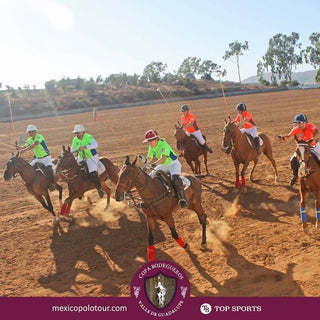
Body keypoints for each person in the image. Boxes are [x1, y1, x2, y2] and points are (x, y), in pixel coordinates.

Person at [142, 129, 188, 208]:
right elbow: (150, 158)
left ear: (155, 139)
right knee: (149, 177)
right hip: (163, 165)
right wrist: (145, 160)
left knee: (175, 179)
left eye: (150, 141)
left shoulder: (163, 145)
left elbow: (163, 158)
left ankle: (183, 199)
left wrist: (152, 165)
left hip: (173, 164)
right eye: (148, 141)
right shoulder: (151, 146)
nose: (149, 143)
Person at [277, 113, 320, 186]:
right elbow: (288, 136)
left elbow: (318, 132)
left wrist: (312, 139)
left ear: (305, 122)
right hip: (302, 148)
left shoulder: (311, 126)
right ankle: (295, 176)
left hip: (313, 146)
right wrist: (283, 137)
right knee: (293, 160)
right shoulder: (296, 129)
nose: (298, 124)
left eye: (299, 122)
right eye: (296, 123)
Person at [16, 124, 55, 191]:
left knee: (49, 170)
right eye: (30, 132)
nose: (31, 133)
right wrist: (19, 148)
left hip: (46, 158)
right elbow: (25, 146)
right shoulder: (29, 139)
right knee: (28, 169)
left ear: (36, 131)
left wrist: (24, 150)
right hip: (37, 158)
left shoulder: (39, 137)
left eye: (33, 131)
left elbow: (34, 145)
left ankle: (52, 184)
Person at [71, 124, 104, 198]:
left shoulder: (88, 137)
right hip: (81, 157)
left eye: (78, 133)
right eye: (75, 133)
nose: (77, 134)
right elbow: (72, 149)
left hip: (91, 156)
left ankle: (99, 188)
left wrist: (85, 147)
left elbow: (95, 145)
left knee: (92, 171)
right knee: (74, 170)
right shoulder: (75, 139)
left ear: (83, 132)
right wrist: (74, 151)